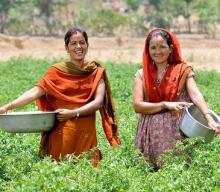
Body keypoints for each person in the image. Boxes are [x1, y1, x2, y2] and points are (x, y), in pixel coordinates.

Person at [0, 27, 120, 165]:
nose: (78, 47)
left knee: (89, 174)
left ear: (88, 45)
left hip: (86, 134)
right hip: (61, 135)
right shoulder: (56, 71)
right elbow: (34, 92)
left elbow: (98, 102)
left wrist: (73, 113)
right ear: (66, 48)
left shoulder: (95, 72)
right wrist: (7, 107)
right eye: (73, 43)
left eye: (82, 42)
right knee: (60, 174)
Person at [133, 28, 220, 169]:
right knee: (149, 173)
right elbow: (138, 106)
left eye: (162, 47)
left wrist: (209, 118)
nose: (158, 51)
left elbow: (196, 94)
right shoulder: (141, 75)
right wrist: (164, 105)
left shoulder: (182, 70)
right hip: (148, 134)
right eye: (153, 47)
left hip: (178, 133)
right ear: (147, 50)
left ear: (170, 48)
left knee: (178, 172)